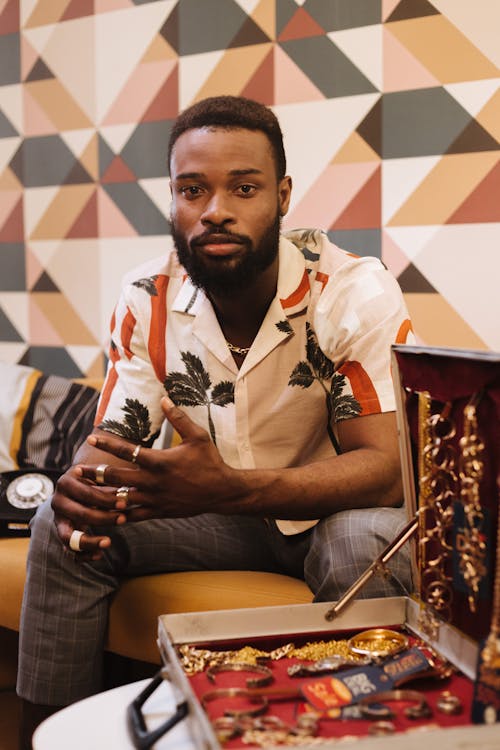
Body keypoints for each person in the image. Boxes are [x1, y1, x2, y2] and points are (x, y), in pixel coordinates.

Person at [17, 95, 414, 744]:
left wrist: (235, 488)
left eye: (245, 187)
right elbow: (112, 444)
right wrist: (81, 485)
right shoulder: (148, 295)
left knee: (364, 543)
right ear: (172, 199)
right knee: (58, 523)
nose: (216, 210)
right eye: (192, 189)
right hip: (218, 516)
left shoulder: (350, 289)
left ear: (283, 197)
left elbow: (389, 471)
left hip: (328, 516)